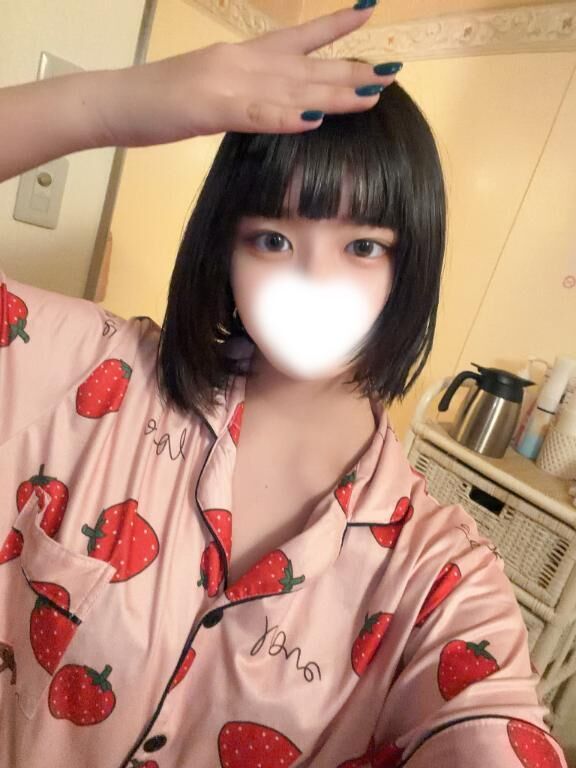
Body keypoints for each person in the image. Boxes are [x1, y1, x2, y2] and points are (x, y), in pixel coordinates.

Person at [0, 2, 569, 766]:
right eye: (273, 238)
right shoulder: (95, 377)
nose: (313, 280)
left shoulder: (441, 583)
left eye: (362, 246)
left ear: (409, 268)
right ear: (225, 251)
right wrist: (112, 105)